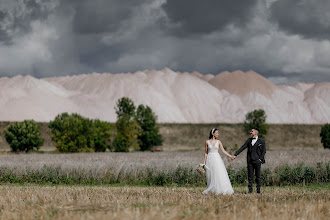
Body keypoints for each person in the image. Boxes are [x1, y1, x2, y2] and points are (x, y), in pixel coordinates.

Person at [232, 128, 266, 194]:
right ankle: (250, 191)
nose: (250, 132)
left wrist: (260, 159)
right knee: (250, 176)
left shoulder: (261, 141)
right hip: (250, 161)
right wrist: (235, 154)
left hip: (257, 161)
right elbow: (243, 147)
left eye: (252, 131)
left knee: (258, 176)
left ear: (256, 132)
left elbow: (264, 150)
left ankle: (258, 191)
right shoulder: (249, 140)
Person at [202, 128, 235, 195]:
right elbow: (206, 153)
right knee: (211, 174)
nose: (218, 134)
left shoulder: (219, 142)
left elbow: (223, 151)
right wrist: (204, 163)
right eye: (216, 133)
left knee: (218, 172)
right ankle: (213, 189)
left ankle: (220, 188)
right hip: (210, 158)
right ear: (213, 134)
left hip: (217, 158)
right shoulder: (207, 142)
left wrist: (230, 156)